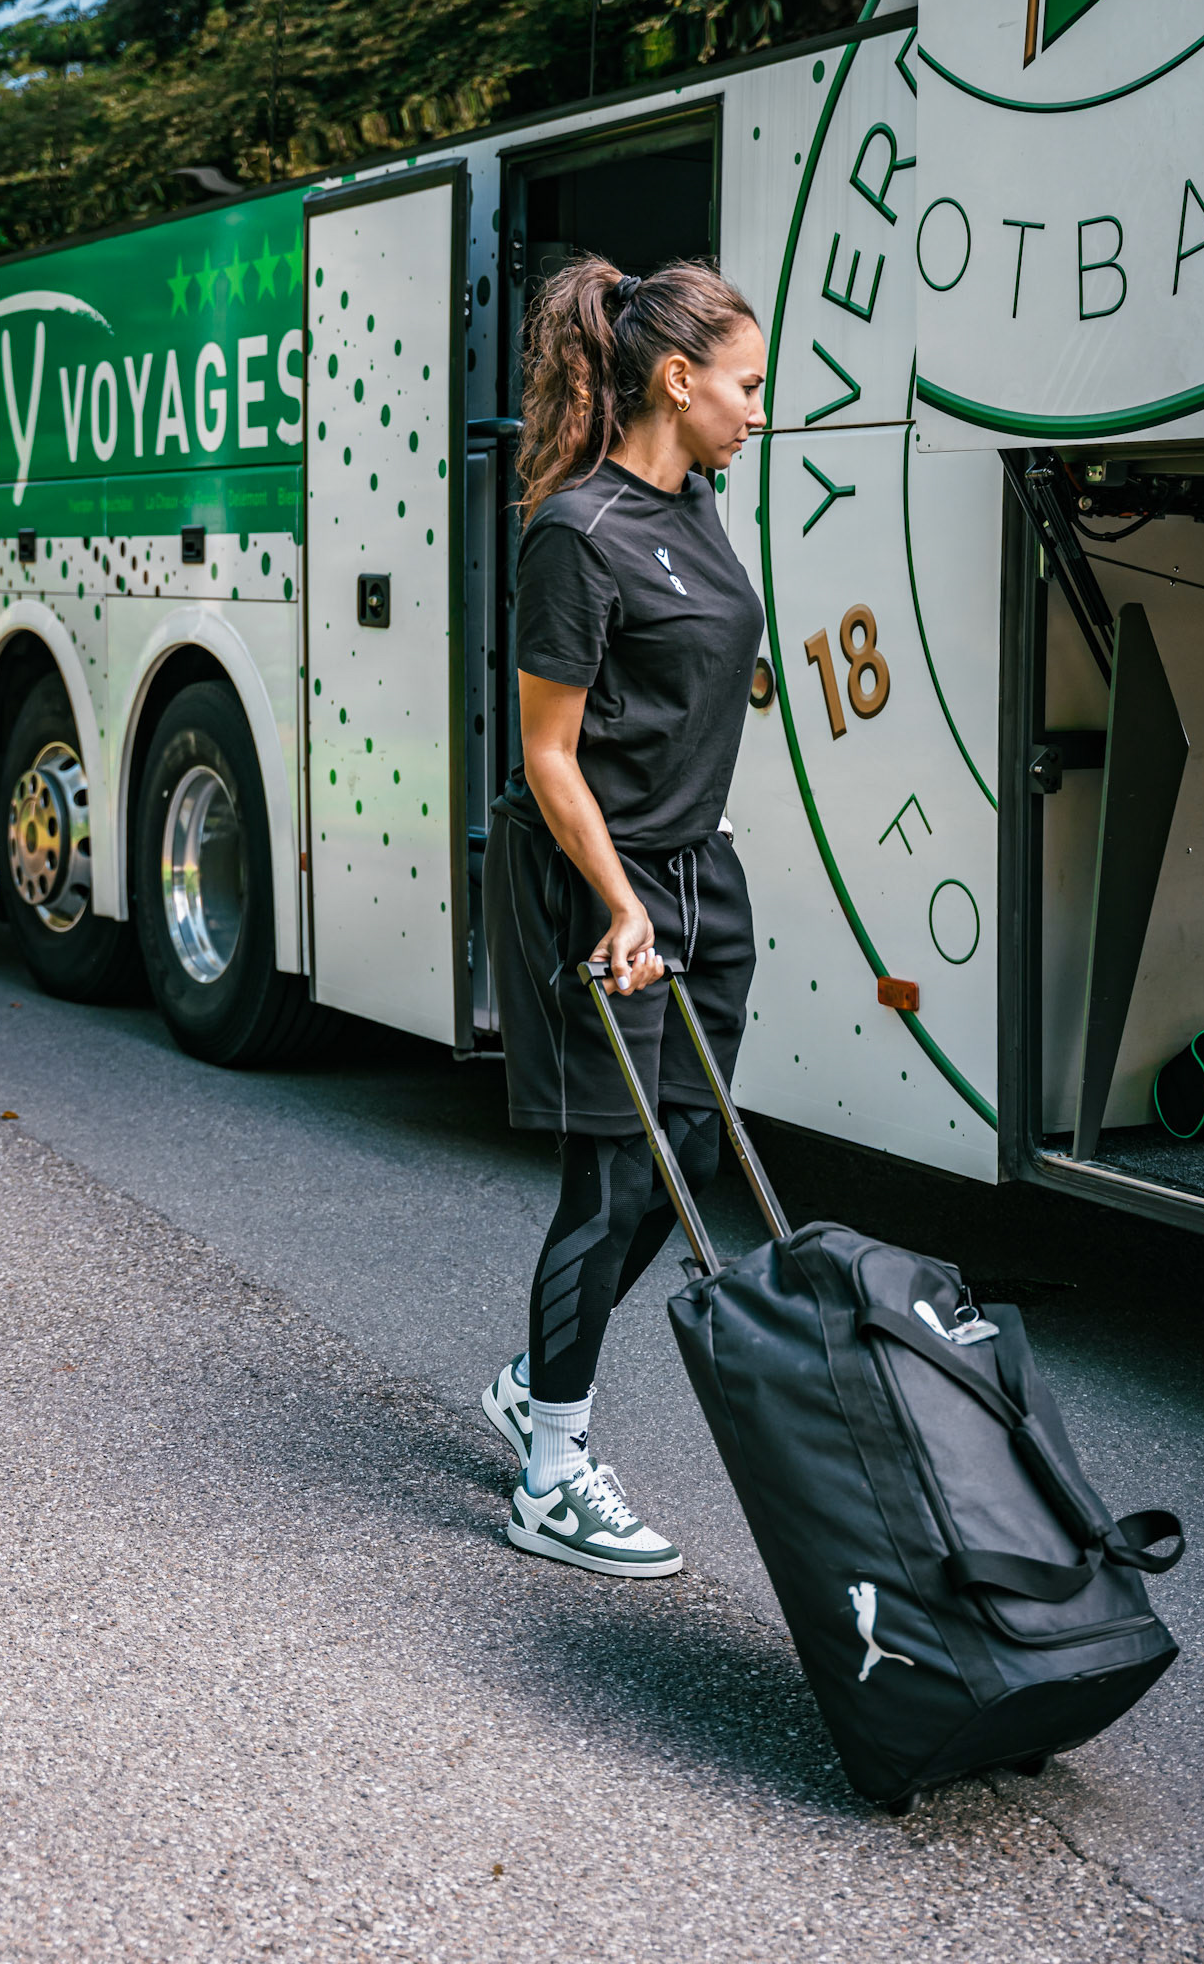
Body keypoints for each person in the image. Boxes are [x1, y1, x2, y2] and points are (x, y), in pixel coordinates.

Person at [480, 255, 767, 1577]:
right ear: (677, 378)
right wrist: (618, 902)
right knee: (607, 1179)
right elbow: (547, 754)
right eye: (744, 386)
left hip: (699, 875)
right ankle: (550, 1472)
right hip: (603, 887)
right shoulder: (575, 532)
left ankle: (533, 1379)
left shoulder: (697, 501)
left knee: (688, 1155)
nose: (757, 410)